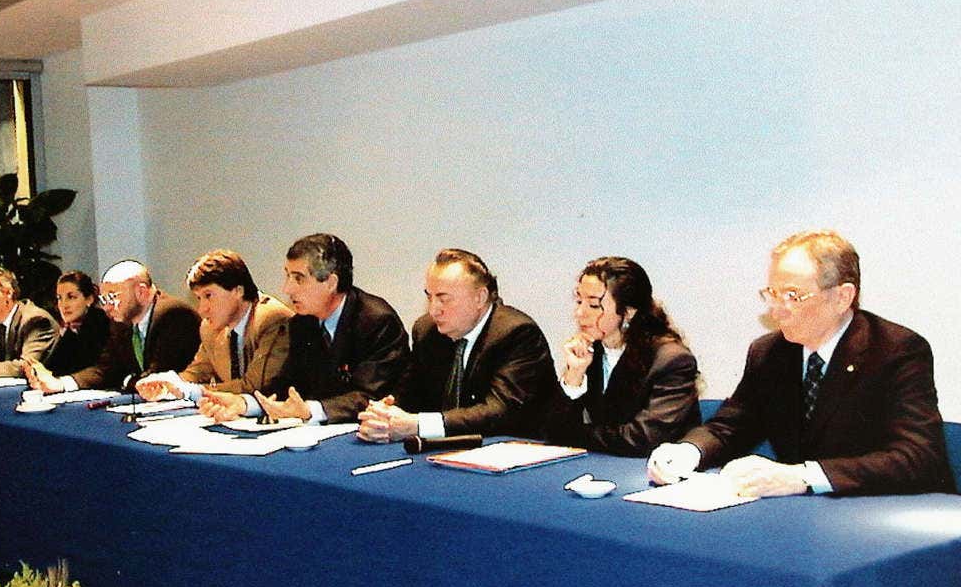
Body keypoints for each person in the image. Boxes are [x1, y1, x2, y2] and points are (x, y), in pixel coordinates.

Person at [647, 229, 953, 496]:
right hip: (802, 516)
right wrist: (688, 452)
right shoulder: (770, 353)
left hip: (884, 511)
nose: (777, 310)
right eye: (773, 294)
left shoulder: (895, 351)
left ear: (842, 297)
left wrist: (805, 477)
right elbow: (730, 426)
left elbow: (919, 456)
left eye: (792, 296)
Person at [200, 233, 409, 424]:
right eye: (287, 276)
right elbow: (286, 384)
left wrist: (309, 411)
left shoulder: (377, 321)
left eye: (298, 278)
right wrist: (245, 403)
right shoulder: (302, 323)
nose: (287, 289)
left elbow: (369, 396)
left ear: (331, 282)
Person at [357, 249, 558, 442]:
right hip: (443, 450)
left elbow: (499, 412)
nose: (434, 310)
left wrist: (418, 425)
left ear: (480, 298)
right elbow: (409, 395)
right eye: (429, 297)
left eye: (443, 299)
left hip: (514, 450)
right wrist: (384, 415)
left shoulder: (517, 334)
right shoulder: (427, 331)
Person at [539, 257, 699, 456]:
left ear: (628, 311)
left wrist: (573, 434)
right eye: (579, 301)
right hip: (607, 462)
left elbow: (641, 439)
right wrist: (574, 375)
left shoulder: (672, 360)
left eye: (594, 305)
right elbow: (550, 430)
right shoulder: (591, 350)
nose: (579, 313)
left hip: (656, 468)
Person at [136, 250, 292, 402]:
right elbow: (196, 373)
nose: (202, 309)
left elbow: (255, 388)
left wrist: (190, 391)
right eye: (199, 298)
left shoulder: (271, 319)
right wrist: (168, 384)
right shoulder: (209, 328)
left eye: (208, 296)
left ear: (238, 290)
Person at [27, 260, 200, 393]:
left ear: (141, 292)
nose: (107, 307)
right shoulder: (121, 321)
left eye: (113, 297)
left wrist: (126, 380)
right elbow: (107, 368)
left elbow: (156, 377)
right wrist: (61, 384)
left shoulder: (173, 315)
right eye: (104, 299)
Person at [39, 271, 111, 377]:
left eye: (71, 297)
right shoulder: (71, 330)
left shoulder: (103, 326)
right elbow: (53, 368)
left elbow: (101, 371)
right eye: (59, 298)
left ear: (89, 299)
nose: (64, 305)